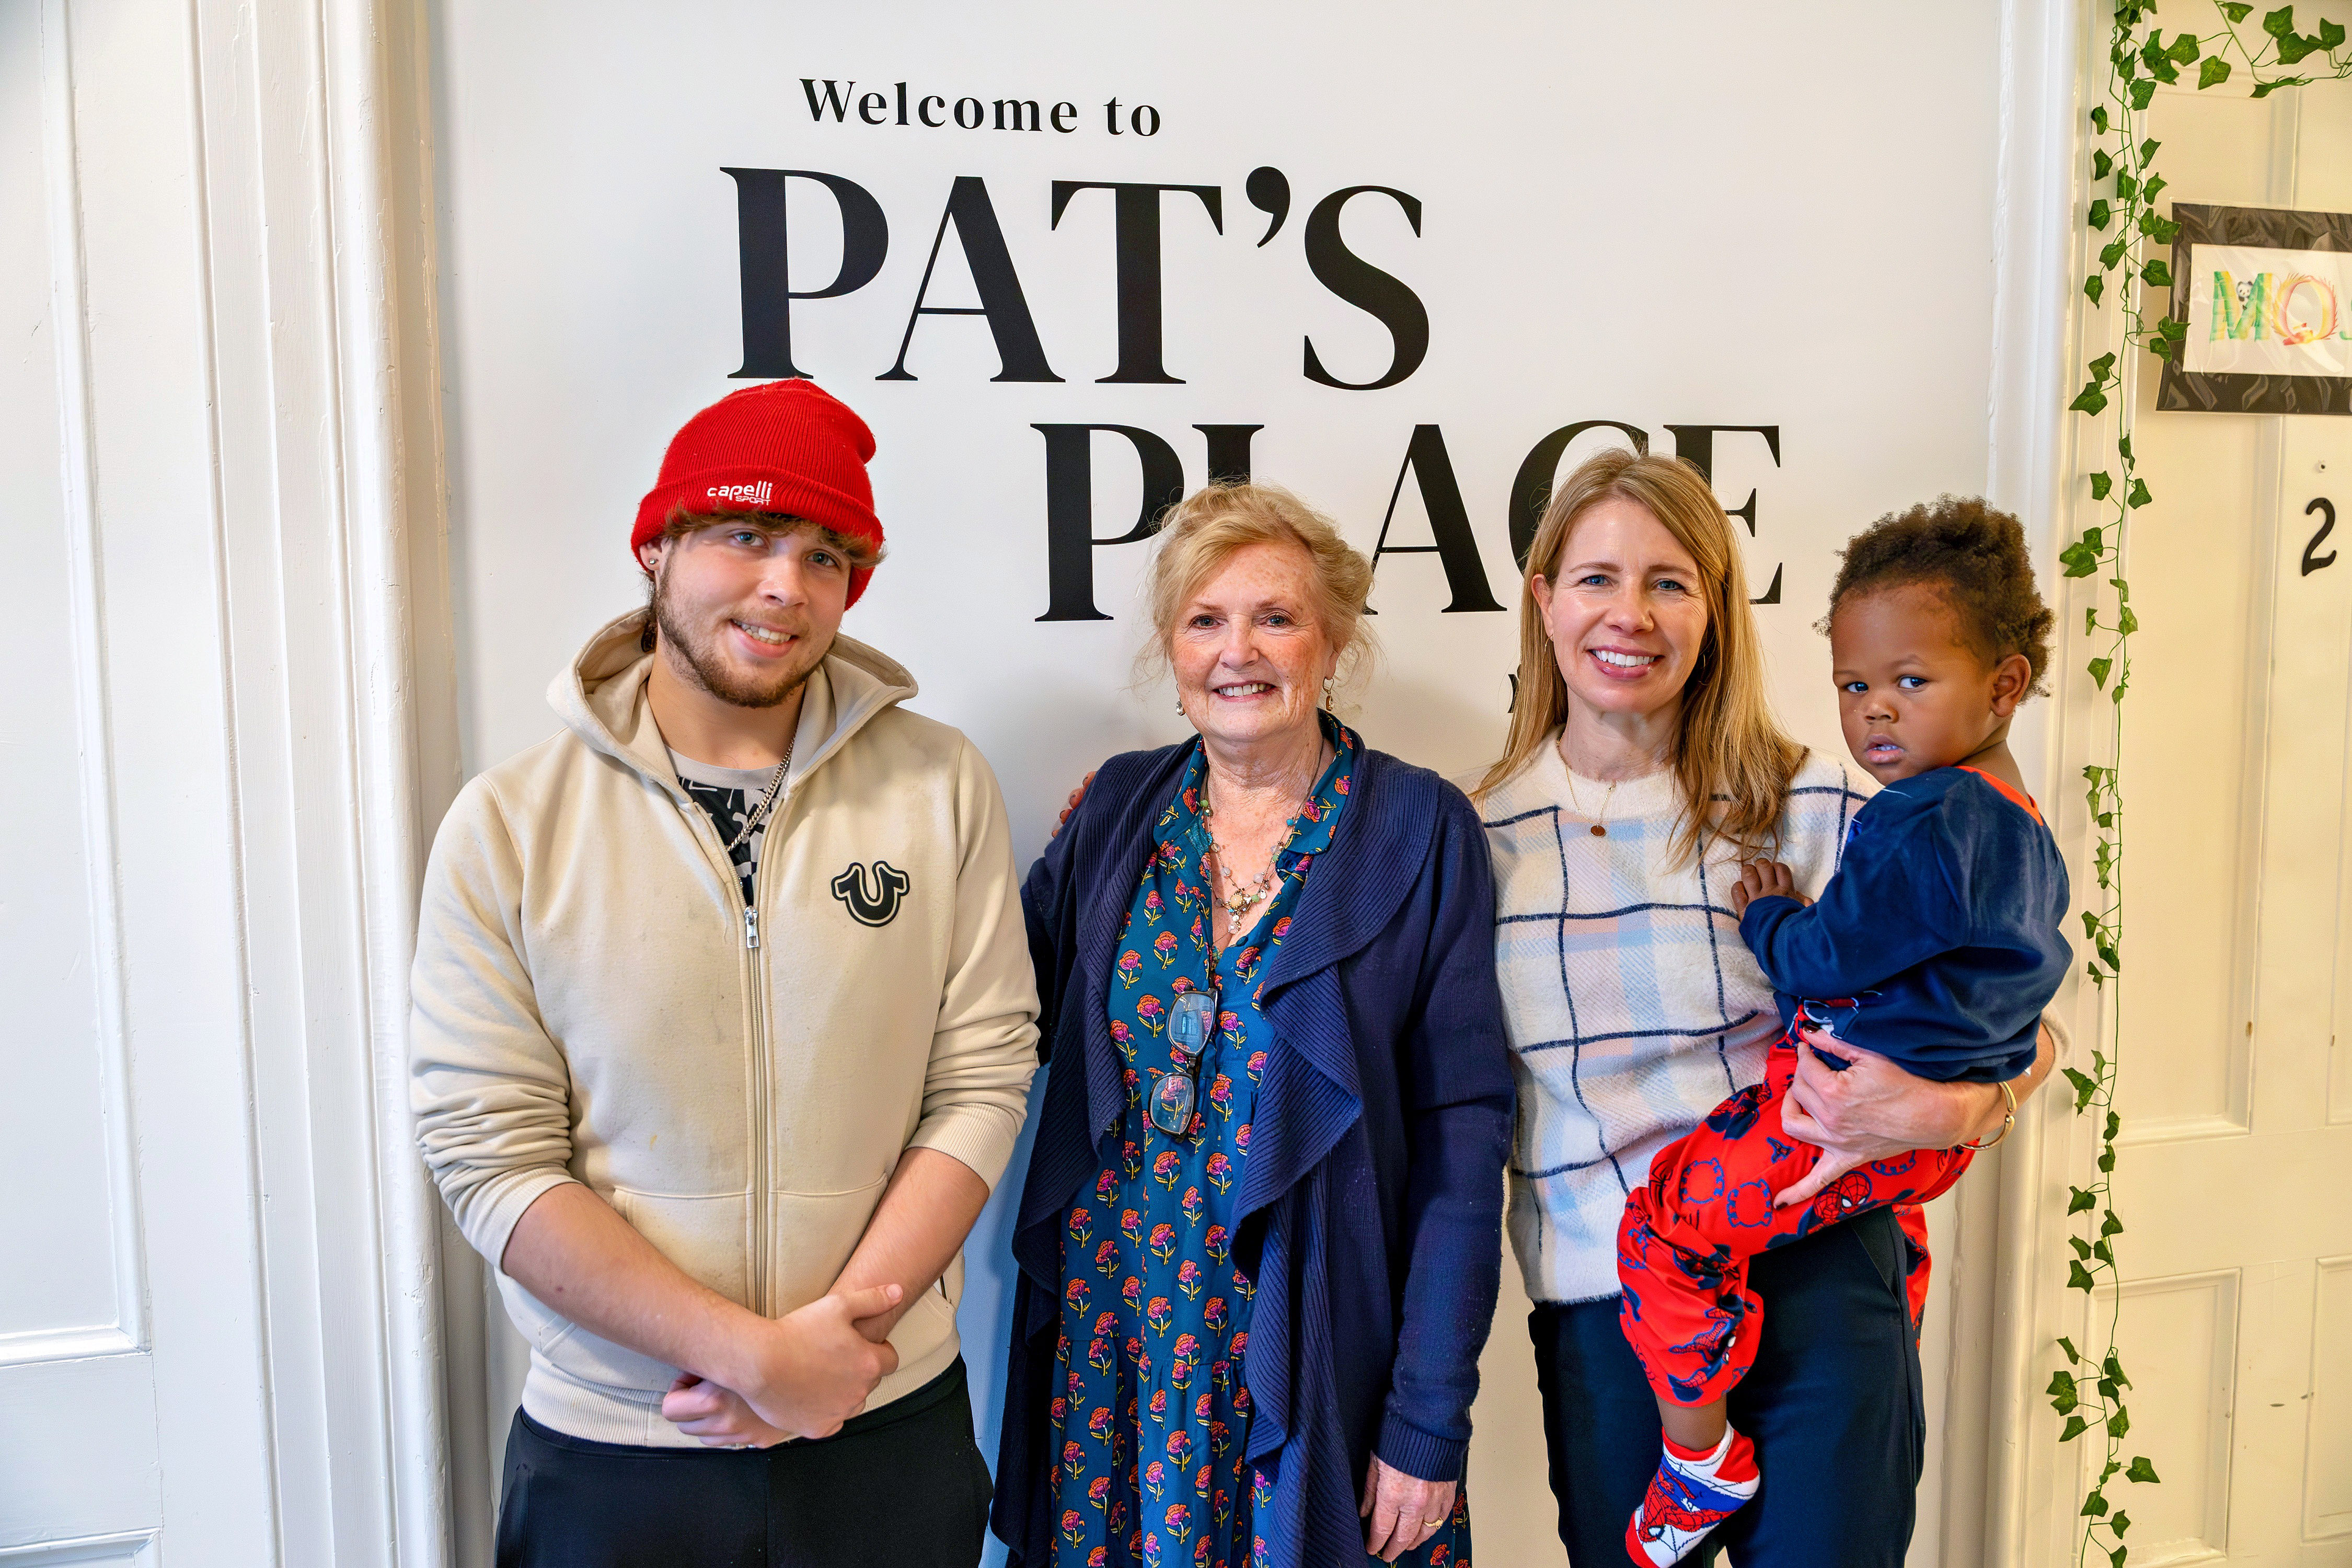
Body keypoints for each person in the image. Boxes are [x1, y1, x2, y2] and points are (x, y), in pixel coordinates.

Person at [409, 378, 1041, 1568]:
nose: (784, 588)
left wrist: (835, 1354)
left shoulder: (939, 784)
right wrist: (753, 1360)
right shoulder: (510, 824)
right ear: (657, 546)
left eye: (825, 555)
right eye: (745, 536)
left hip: (887, 1426)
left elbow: (982, 1077)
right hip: (620, 1446)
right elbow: (490, 1154)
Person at [1474, 448, 2065, 1567]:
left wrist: (1963, 1108)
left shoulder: (1836, 804)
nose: (1631, 615)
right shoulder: (1474, 838)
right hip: (1612, 1312)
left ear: (1716, 610)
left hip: (1823, 1282)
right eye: (1597, 578)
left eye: (1670, 581)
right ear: (1544, 601)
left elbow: (2020, 1008)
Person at [992, 481, 1514, 1568]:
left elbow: (1464, 1147)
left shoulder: (1421, 829)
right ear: (1171, 653)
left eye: (1275, 617)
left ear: (1332, 643)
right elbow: (987, 1020)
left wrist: (1428, 1421)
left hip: (1320, 1357)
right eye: (1206, 621)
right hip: (1119, 1360)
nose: (1241, 651)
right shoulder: (1118, 812)